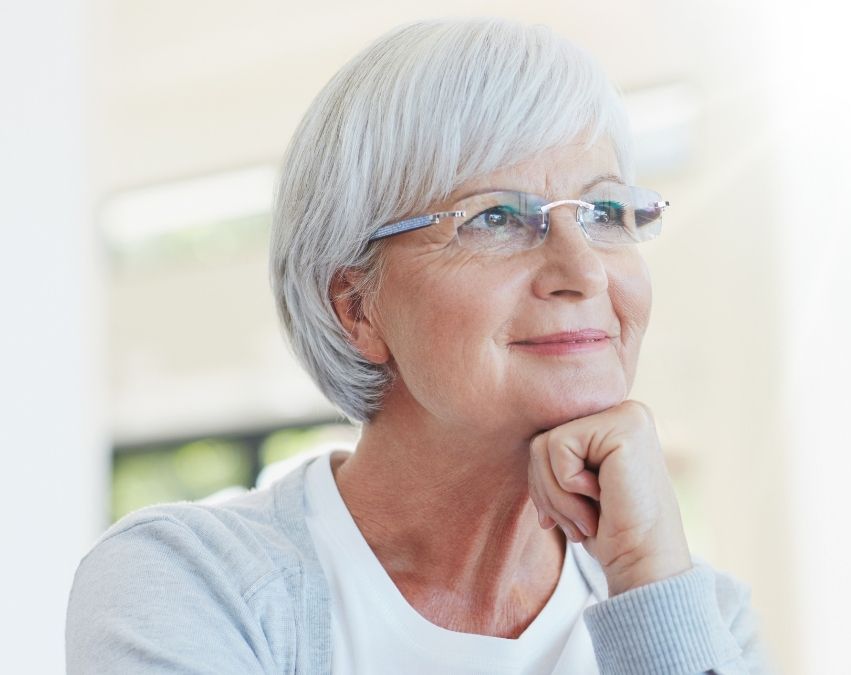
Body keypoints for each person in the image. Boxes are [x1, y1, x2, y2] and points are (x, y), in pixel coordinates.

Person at [66, 17, 770, 674]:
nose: (583, 270)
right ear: (358, 309)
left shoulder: (697, 610)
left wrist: (649, 577)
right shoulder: (190, 583)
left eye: (606, 211)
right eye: (496, 217)